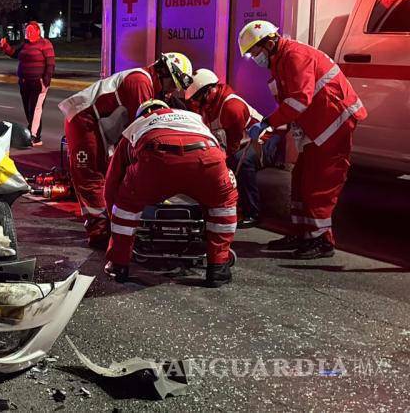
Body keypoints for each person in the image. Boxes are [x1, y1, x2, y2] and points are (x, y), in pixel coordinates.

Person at [239, 20, 367, 259]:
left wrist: (268, 123)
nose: (255, 58)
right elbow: (291, 103)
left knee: (319, 184)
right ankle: (302, 234)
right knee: (300, 181)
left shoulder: (294, 56)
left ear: (269, 43)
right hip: (319, 125)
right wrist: (275, 128)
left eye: (255, 52)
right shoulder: (280, 60)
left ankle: (321, 241)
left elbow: (299, 100)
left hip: (333, 123)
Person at [57, 53, 193, 248]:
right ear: (163, 72)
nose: (171, 92)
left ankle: (113, 222)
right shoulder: (140, 82)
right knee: (90, 174)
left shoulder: (146, 83)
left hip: (97, 123)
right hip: (83, 120)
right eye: (172, 85)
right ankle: (100, 230)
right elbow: (143, 129)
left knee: (109, 172)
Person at [103, 99, 238, 287]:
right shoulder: (195, 119)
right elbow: (220, 155)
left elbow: (112, 180)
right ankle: (219, 267)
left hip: (156, 159)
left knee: (126, 206)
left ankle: (119, 265)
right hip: (207, 156)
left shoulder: (135, 128)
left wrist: (113, 215)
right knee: (224, 204)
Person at [185, 68, 282, 228]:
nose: (194, 103)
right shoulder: (207, 105)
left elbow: (233, 145)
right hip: (240, 142)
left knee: (239, 162)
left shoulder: (231, 107)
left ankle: (252, 212)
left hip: (263, 140)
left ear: (209, 90)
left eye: (197, 98)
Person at [0, 21, 55, 146]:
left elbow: (50, 64)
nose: (27, 33)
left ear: (37, 32)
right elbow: (14, 53)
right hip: (24, 82)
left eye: (30, 31)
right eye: (26, 31)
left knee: (35, 109)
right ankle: (33, 134)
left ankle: (34, 136)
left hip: (38, 83)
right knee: (28, 109)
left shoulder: (45, 44)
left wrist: (45, 81)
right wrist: (5, 47)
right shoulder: (25, 45)